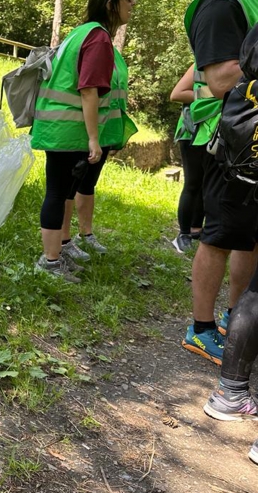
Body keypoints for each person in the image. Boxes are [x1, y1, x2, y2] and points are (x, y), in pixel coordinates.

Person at [31, 0, 138, 283]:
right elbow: (88, 90)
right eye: (128, 0)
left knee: (64, 191)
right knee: (57, 192)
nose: (133, 3)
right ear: (110, 4)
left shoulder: (82, 32)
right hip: (68, 129)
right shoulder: (98, 37)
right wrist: (94, 138)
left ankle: (58, 252)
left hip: (59, 127)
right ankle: (50, 262)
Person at [180, 0, 258, 365]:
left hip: (248, 142)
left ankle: (234, 316)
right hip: (227, 142)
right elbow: (220, 78)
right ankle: (201, 328)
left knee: (249, 237)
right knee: (219, 237)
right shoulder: (220, 5)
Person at [202, 23, 258, 465]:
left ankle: (231, 392)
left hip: (242, 164)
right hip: (236, 169)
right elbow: (208, 81)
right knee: (220, 242)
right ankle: (202, 327)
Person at [170, 66, 206, 254]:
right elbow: (176, 94)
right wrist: (211, 92)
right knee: (192, 183)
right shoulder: (199, 63)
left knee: (206, 184)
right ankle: (182, 235)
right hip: (191, 131)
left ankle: (196, 229)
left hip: (213, 133)